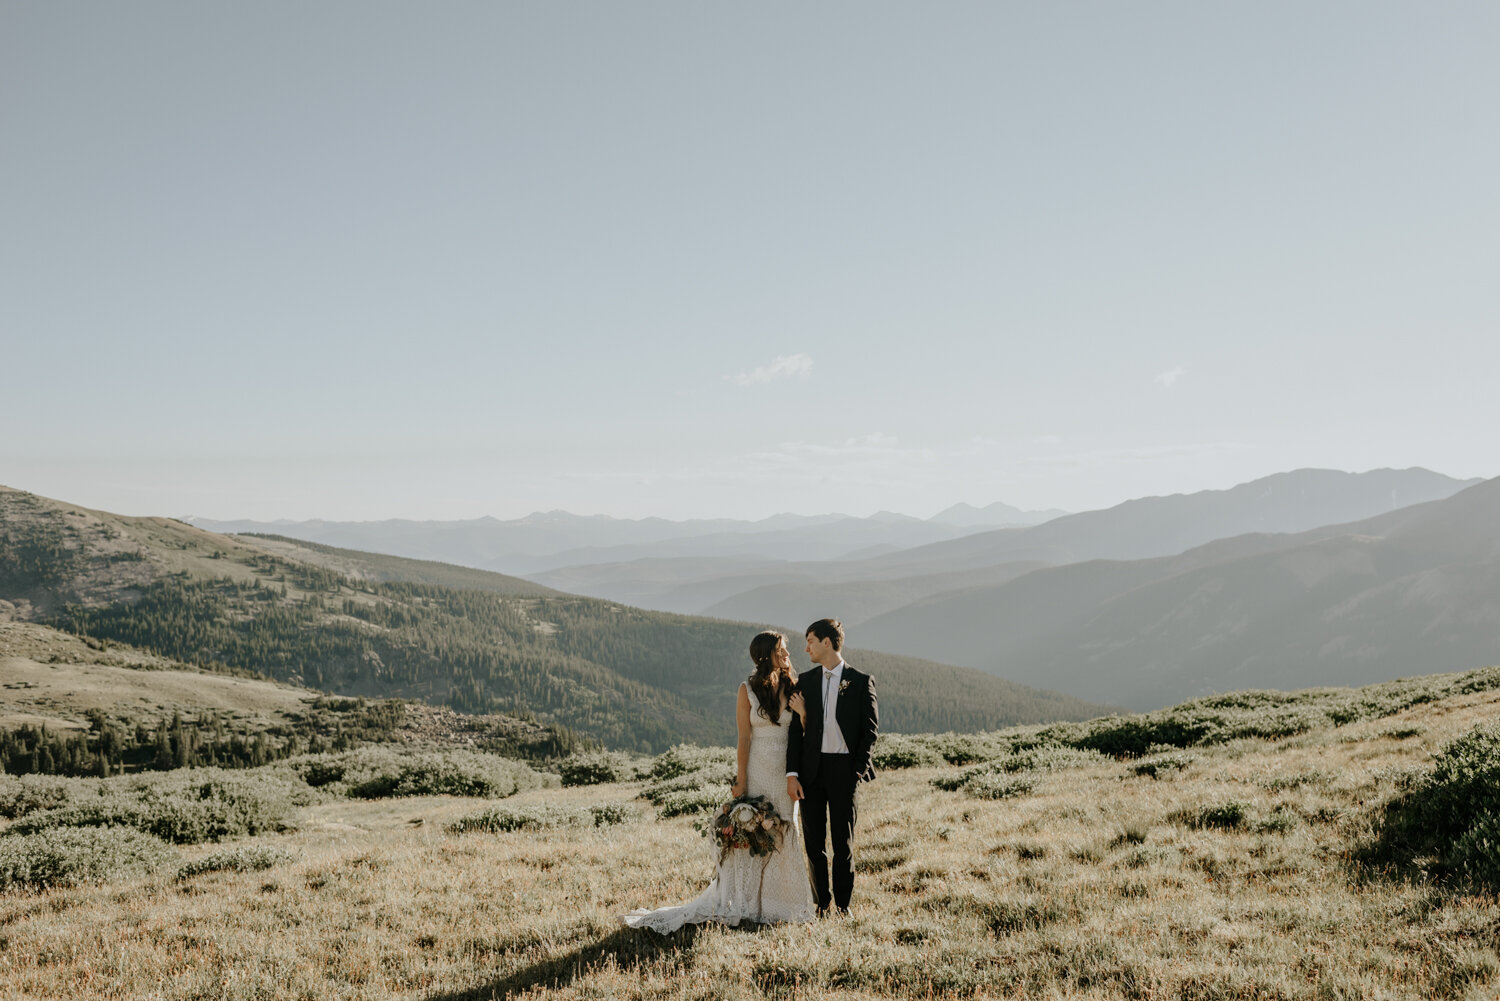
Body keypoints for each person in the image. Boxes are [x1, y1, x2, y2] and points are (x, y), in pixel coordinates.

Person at [623, 631, 817, 933]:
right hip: (758, 768)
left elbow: (804, 731)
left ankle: (783, 903)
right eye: (781, 650)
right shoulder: (747, 689)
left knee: (782, 830)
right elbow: (743, 737)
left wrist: (803, 714)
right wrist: (741, 780)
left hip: (786, 770)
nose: (788, 655)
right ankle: (747, 902)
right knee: (755, 830)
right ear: (767, 655)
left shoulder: (794, 686)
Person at [786, 617, 878, 916]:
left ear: (827, 642)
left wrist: (856, 771)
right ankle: (821, 903)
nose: (806, 647)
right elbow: (795, 733)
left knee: (843, 843)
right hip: (812, 771)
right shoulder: (806, 682)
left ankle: (842, 906)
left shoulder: (862, 681)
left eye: (810, 640)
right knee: (814, 844)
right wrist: (793, 774)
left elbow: (870, 731)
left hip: (844, 771)